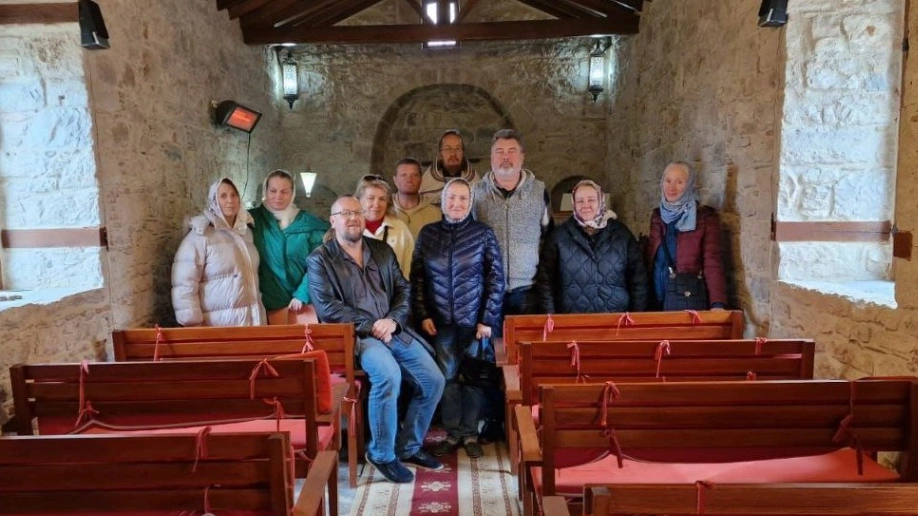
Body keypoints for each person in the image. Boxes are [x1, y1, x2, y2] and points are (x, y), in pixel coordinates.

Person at [307, 196, 445, 484]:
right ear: (333, 220)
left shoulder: (381, 250)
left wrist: (392, 321)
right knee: (388, 375)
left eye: (357, 212)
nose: (353, 218)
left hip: (392, 329)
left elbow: (403, 291)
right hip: (358, 338)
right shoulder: (320, 259)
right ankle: (381, 453)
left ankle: (408, 446)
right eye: (345, 213)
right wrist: (372, 325)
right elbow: (328, 308)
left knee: (434, 380)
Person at [410, 179, 505, 459]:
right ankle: (453, 433)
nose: (456, 204)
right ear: (442, 200)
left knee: (474, 378)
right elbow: (416, 279)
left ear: (471, 201)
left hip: (474, 322)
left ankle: (470, 433)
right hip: (440, 323)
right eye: (451, 198)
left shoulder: (483, 234)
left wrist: (487, 319)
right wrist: (423, 313)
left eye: (463, 198)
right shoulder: (427, 234)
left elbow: (496, 279)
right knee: (448, 378)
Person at [472, 129, 552, 318]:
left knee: (525, 345)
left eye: (512, 151)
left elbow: (548, 236)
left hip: (527, 290)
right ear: (491, 157)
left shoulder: (539, 192)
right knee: (493, 346)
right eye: (499, 152)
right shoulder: (476, 194)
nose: (505, 157)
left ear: (522, 157)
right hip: (488, 289)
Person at [537, 179, 648, 313]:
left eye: (591, 200)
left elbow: (638, 278)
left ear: (601, 201)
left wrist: (636, 316)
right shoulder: (558, 237)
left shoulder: (621, 234)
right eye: (580, 201)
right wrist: (551, 317)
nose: (586, 205)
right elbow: (546, 281)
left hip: (616, 320)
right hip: (572, 321)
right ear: (574, 204)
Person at [172, 177, 266, 326]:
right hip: (217, 325)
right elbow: (184, 285)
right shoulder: (200, 235)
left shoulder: (246, 232)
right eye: (223, 196)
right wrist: (193, 325)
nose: (230, 200)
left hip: (249, 321)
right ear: (214, 200)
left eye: (233, 195)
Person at [249, 169, 329, 325]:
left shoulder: (309, 224)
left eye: (284, 191)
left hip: (301, 303)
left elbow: (318, 264)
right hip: (264, 302)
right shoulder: (251, 220)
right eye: (273, 191)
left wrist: (302, 293)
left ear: (292, 193)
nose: (278, 196)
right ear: (265, 191)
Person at [647, 161, 728, 310]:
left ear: (689, 185)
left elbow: (712, 262)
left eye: (679, 182)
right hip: (656, 298)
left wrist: (717, 303)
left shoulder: (704, 218)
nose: (672, 187)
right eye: (668, 180)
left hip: (685, 299)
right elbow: (652, 260)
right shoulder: (657, 216)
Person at [355, 175, 414, 278]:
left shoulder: (400, 228)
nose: (376, 204)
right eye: (371, 198)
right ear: (359, 200)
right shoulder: (347, 228)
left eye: (382, 199)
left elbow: (409, 269)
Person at [420, 129, 480, 206]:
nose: (453, 153)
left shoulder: (475, 181)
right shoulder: (427, 182)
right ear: (440, 154)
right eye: (448, 149)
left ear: (463, 152)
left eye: (458, 148)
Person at [391, 158, 442, 238]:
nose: (409, 180)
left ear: (421, 179)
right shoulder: (385, 210)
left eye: (414, 175)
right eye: (403, 175)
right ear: (395, 180)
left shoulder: (436, 214)